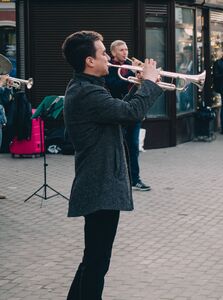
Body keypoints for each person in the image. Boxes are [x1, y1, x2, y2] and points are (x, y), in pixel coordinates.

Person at [62, 31, 162, 299]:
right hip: (99, 183)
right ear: (89, 61)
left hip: (100, 181)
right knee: (97, 262)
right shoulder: (86, 92)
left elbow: (118, 113)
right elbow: (130, 113)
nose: (108, 57)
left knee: (93, 259)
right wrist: (150, 83)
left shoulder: (88, 88)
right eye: (103, 52)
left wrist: (141, 86)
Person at [105, 40, 151, 191]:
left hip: (133, 112)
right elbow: (114, 85)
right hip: (118, 111)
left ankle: (135, 179)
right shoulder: (110, 67)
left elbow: (140, 89)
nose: (125, 53)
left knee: (133, 147)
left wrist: (143, 78)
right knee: (117, 147)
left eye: (126, 49)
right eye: (121, 50)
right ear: (113, 53)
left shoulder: (131, 66)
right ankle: (116, 179)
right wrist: (132, 73)